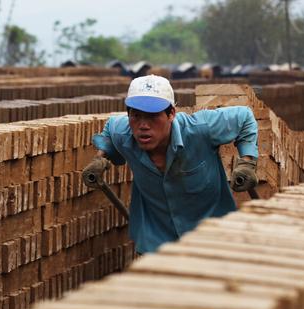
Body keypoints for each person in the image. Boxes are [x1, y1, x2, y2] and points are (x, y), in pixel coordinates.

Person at [86, 74, 258, 254]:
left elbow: (244, 117)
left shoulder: (200, 128)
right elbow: (109, 130)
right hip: (156, 242)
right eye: (136, 116)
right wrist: (100, 159)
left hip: (212, 240)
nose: (143, 125)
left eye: (152, 116)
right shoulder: (122, 131)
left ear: (171, 114)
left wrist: (247, 162)